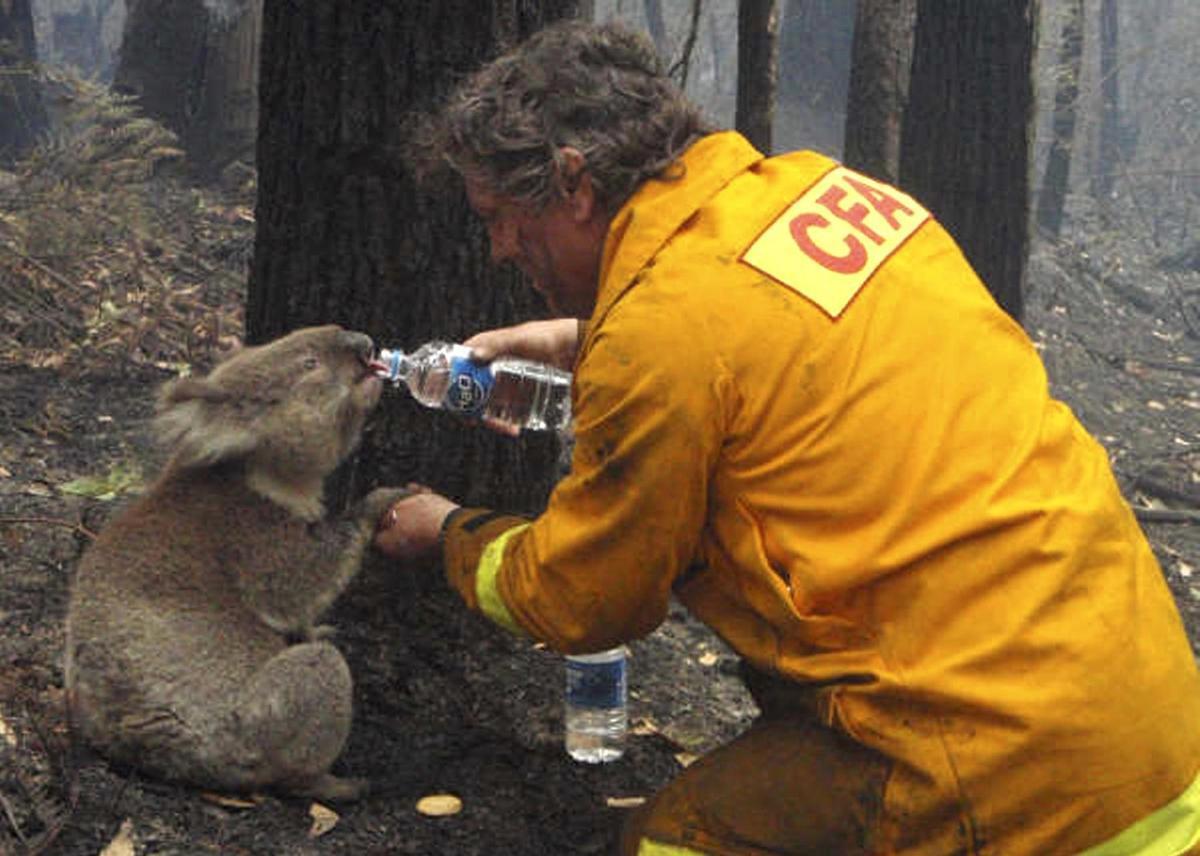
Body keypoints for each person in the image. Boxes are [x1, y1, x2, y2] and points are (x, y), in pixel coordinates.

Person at [374, 19, 1200, 856]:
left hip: (1004, 772)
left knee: (668, 844)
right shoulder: (825, 193)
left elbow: (585, 597)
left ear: (574, 184)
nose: (498, 249)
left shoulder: (663, 335)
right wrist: (587, 341)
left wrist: (448, 533)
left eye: (501, 218)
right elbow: (774, 351)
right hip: (1150, 722)